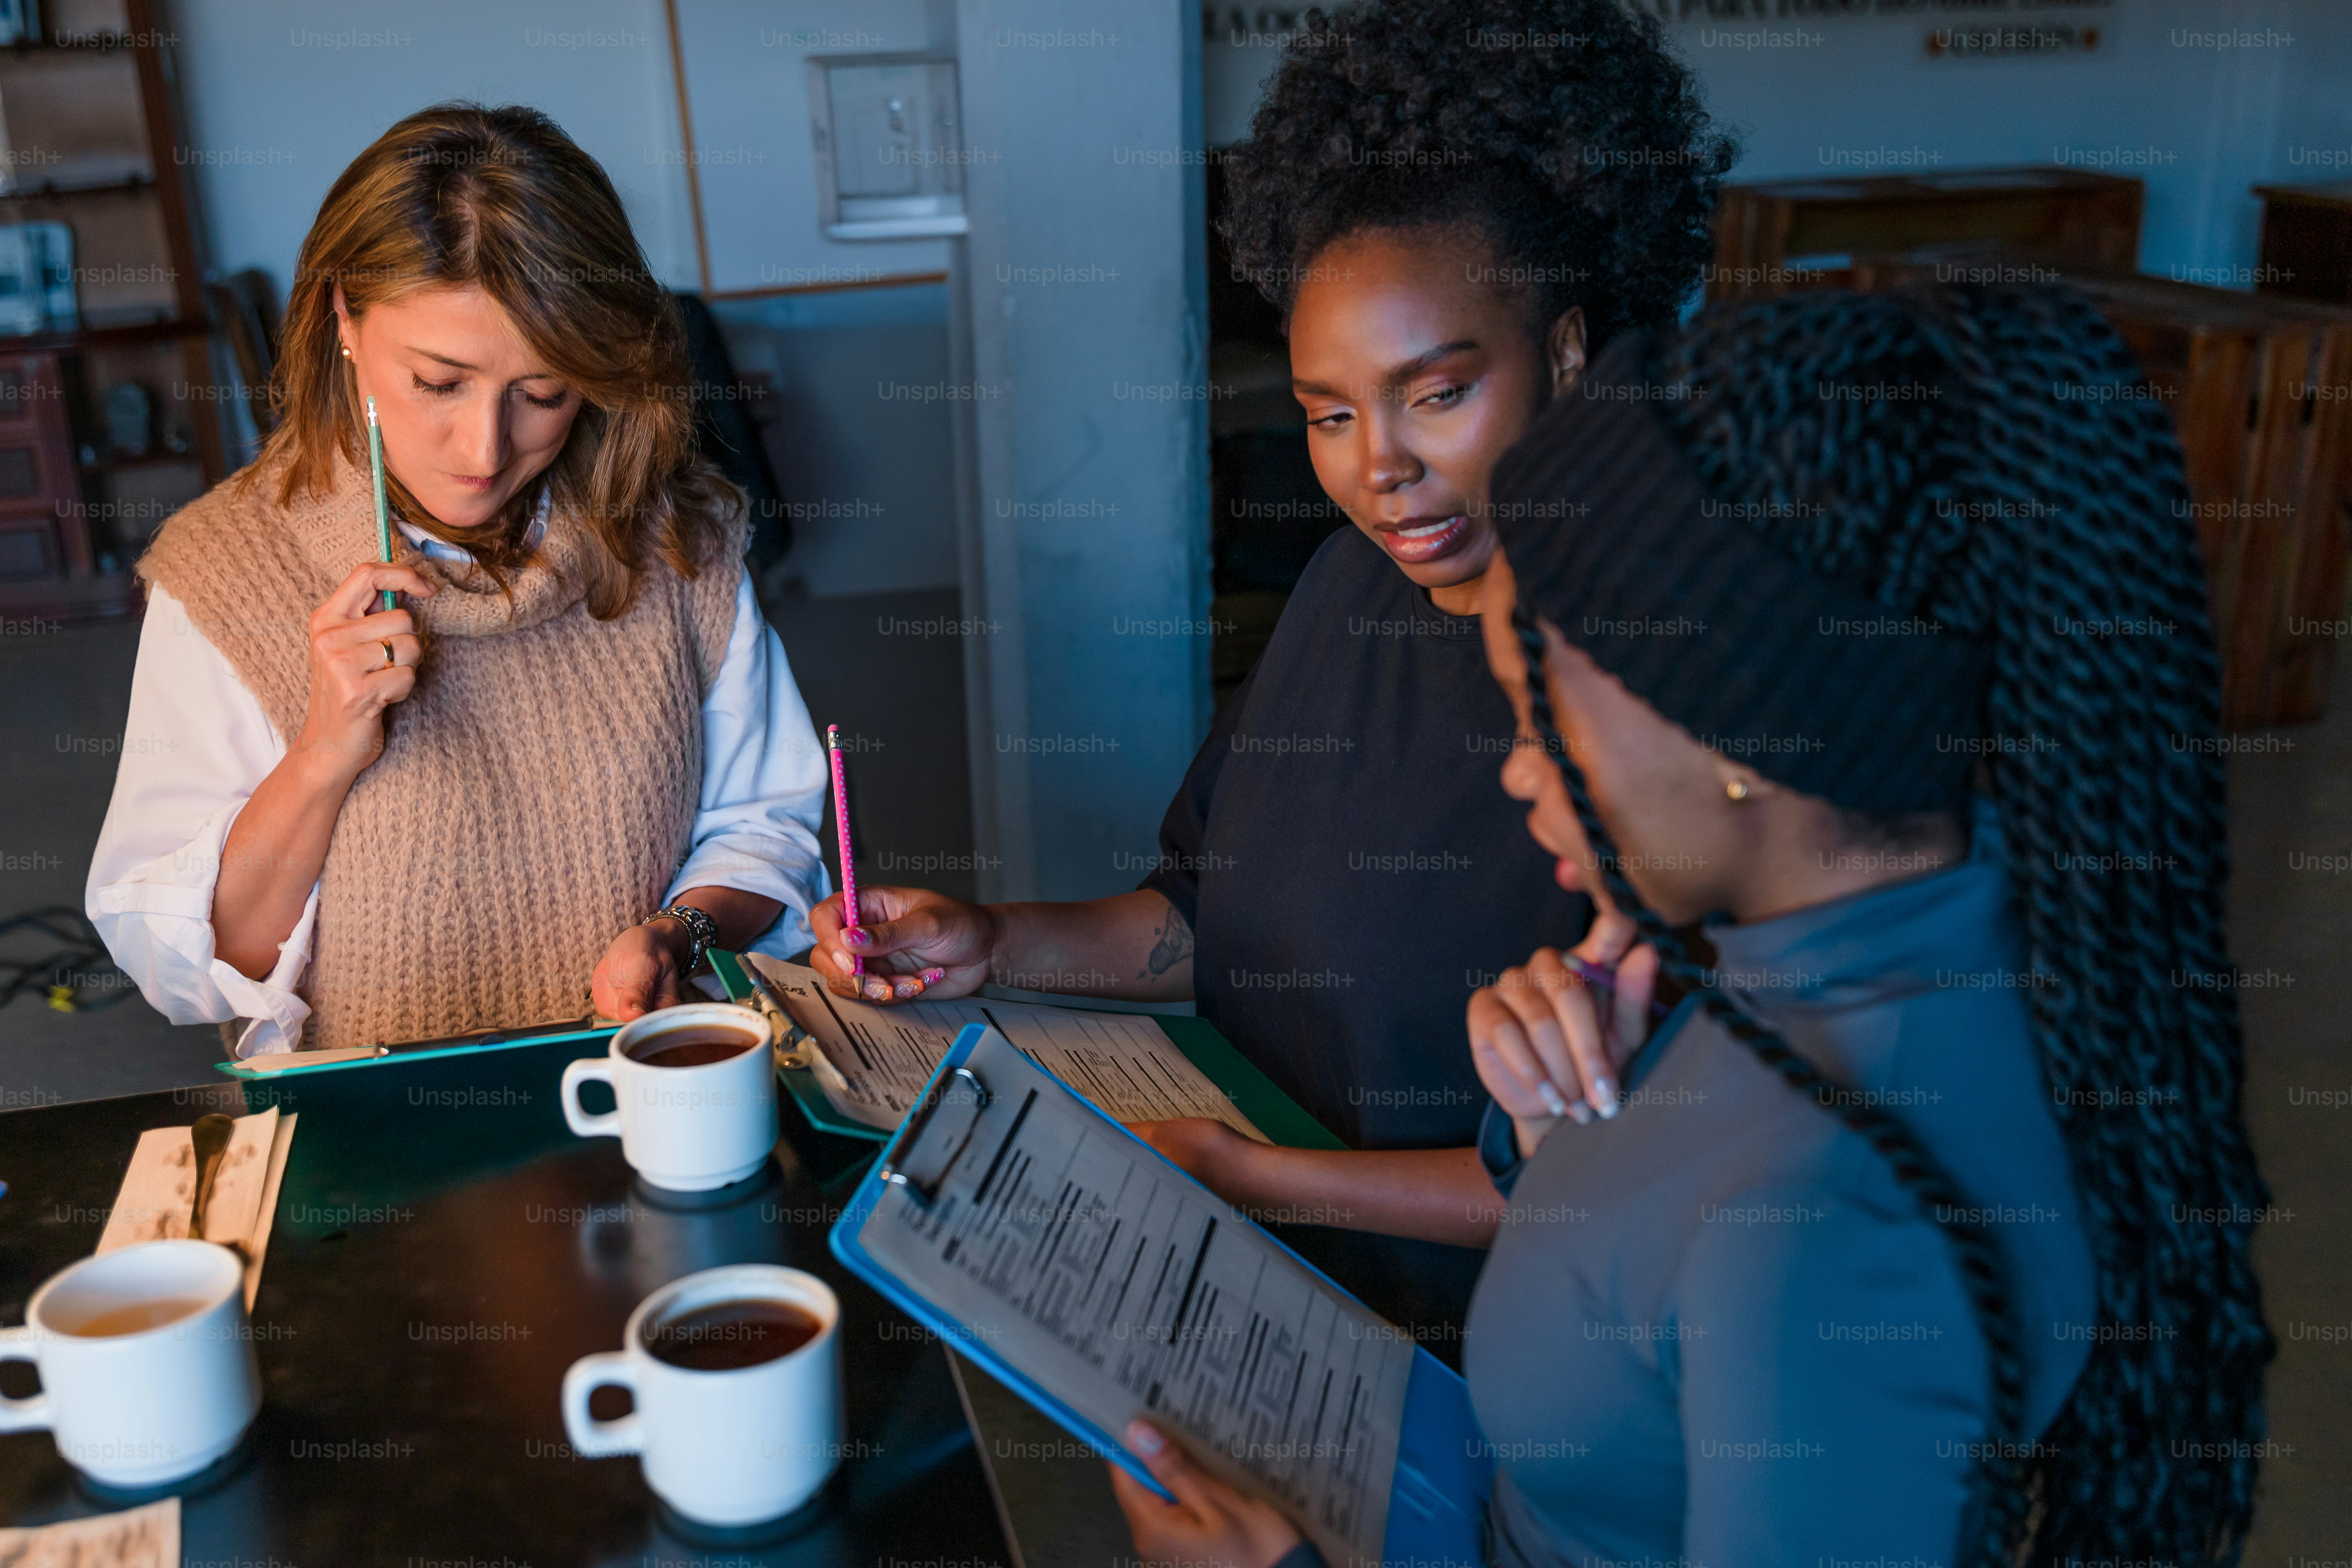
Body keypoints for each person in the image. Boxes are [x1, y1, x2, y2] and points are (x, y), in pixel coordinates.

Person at [1107, 286, 2272, 1563]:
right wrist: (1569, 1141)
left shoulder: (1833, 1233)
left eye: (1536, 714)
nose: (1515, 773)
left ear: (1734, 735)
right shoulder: (1856, 953)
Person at [805, 0, 1735, 1339]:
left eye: (1435, 393)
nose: (1379, 469)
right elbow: (1203, 920)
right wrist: (995, 939)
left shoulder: (1661, 687)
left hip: (1484, 1348)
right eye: (1328, 415)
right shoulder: (1352, 585)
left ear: (1569, 351)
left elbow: (1667, 1173)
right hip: (1256, 1268)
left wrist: (1256, 1181)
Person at [88, 104, 831, 1055]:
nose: (485, 450)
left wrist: (680, 933)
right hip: (375, 1146)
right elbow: (184, 971)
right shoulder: (228, 569)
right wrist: (321, 756)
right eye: (439, 382)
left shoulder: (680, 537)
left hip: (645, 1091)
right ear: (342, 318)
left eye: (544, 391)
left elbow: (764, 827)